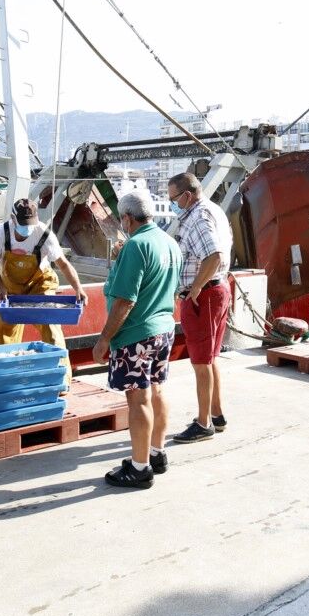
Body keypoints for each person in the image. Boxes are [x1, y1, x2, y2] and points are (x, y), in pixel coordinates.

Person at [94, 191, 183, 489]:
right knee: (157, 390)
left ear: (127, 218)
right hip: (164, 328)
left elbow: (125, 300)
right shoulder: (169, 242)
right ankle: (156, 453)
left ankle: (139, 468)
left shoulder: (136, 246)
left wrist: (104, 339)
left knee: (138, 399)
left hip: (136, 335)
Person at [0, 198, 87, 387]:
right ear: (13, 219)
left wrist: (78, 288)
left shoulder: (44, 234)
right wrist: (1, 287)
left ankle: (60, 379)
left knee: (50, 326)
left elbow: (63, 264)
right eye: (23, 224)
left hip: (40, 283)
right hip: (10, 286)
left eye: (30, 224)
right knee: (5, 331)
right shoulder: (0, 233)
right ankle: (4, 380)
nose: (27, 228)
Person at [167, 172, 234, 444]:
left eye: (174, 199)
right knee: (210, 357)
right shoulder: (214, 210)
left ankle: (203, 423)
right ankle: (216, 414)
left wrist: (194, 288)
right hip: (217, 290)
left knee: (201, 362)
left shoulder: (198, 217)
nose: (172, 204)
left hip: (203, 296)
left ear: (187, 195)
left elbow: (214, 256)